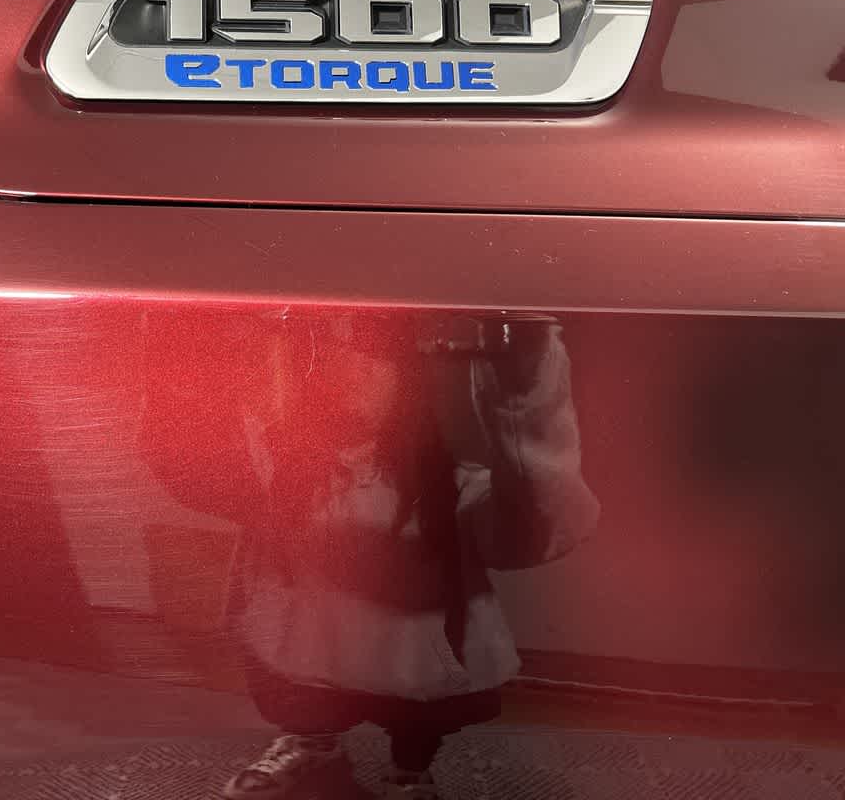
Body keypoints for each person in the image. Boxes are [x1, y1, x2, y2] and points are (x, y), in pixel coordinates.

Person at [142, 311, 597, 799]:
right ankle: (313, 743)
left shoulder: (449, 486)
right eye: (330, 352)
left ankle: (410, 770)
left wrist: (527, 381)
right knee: (297, 691)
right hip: (302, 653)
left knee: (417, 717)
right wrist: (188, 341)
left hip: (412, 663)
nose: (348, 369)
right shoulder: (274, 469)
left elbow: (536, 524)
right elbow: (191, 464)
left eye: (371, 355)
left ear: (405, 381)